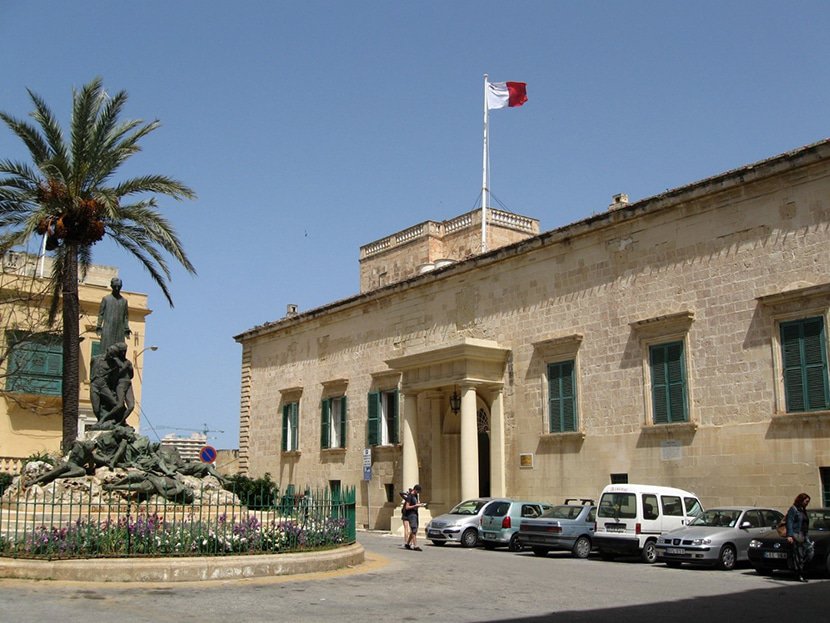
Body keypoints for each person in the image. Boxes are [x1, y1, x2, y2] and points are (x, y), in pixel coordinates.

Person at [96, 277, 131, 353]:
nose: (117, 288)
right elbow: (101, 314)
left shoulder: (124, 301)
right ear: (112, 286)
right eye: (115, 286)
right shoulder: (106, 299)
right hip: (108, 327)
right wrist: (99, 325)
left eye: (119, 286)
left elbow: (125, 316)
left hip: (119, 329)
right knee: (106, 348)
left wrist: (126, 328)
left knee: (119, 349)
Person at [785, 492, 813, 582]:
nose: (807, 503)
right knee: (799, 555)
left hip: (804, 534)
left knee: (810, 552)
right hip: (797, 534)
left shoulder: (803, 509)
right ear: (801, 500)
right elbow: (789, 522)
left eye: (808, 501)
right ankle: (799, 574)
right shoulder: (793, 509)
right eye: (806, 501)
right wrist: (789, 535)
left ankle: (800, 570)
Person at [404, 484, 428, 551]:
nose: (418, 493)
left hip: (415, 513)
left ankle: (408, 544)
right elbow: (407, 507)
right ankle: (415, 545)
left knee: (415, 529)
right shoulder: (410, 496)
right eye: (418, 491)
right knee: (414, 529)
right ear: (415, 490)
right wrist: (415, 506)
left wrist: (419, 504)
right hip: (411, 514)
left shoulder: (415, 496)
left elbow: (416, 503)